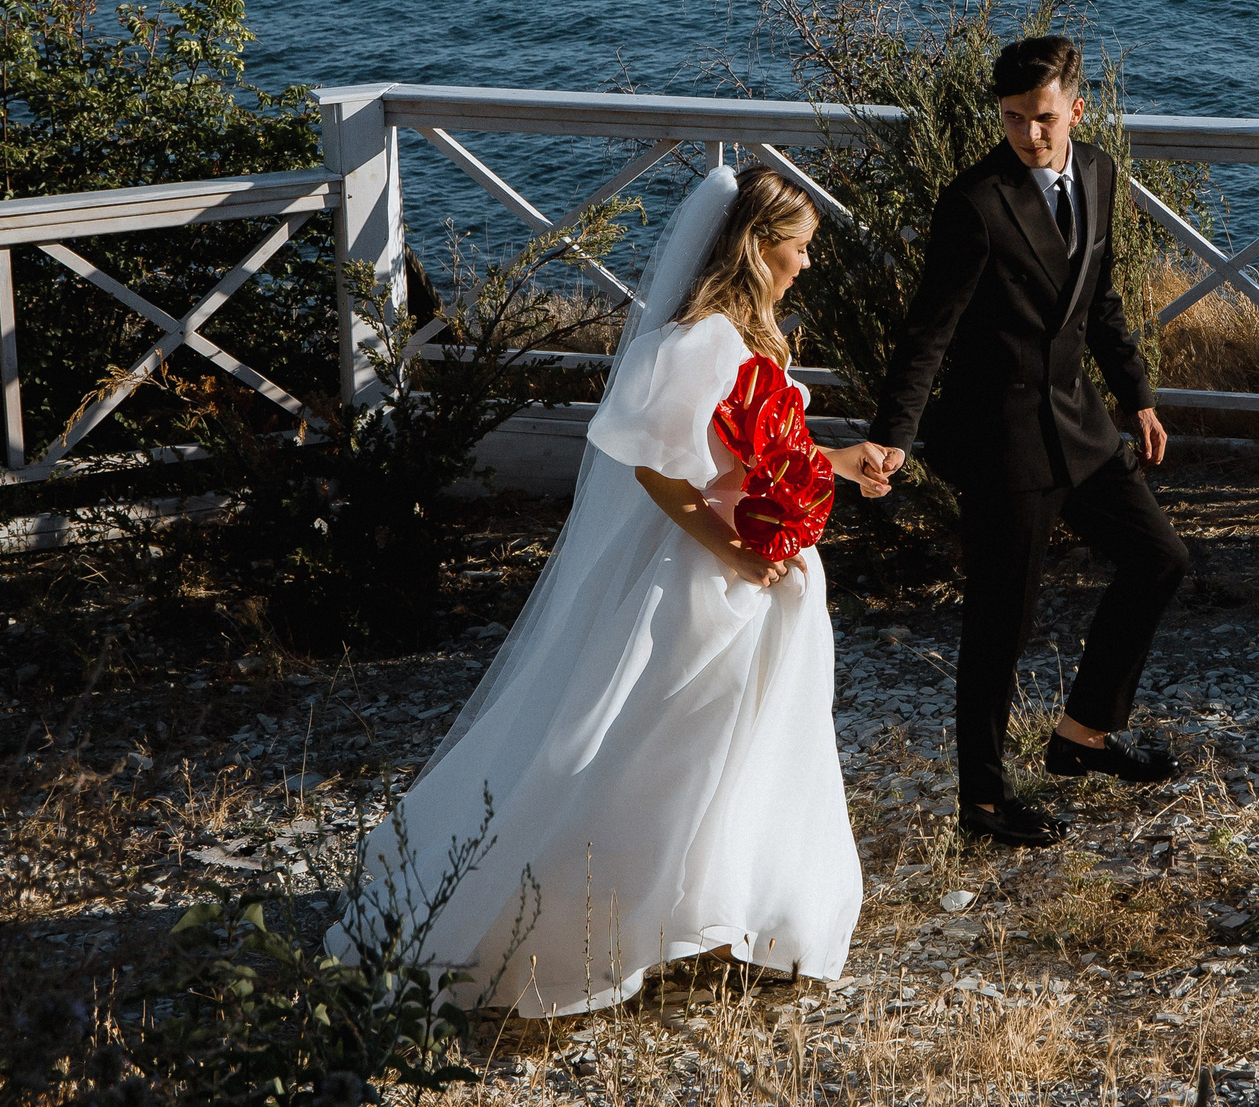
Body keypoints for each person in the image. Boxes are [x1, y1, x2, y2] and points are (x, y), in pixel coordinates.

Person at [330, 164, 892, 1015]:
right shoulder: (696, 340)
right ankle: (569, 913)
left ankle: (734, 906)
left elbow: (763, 450)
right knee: (650, 746)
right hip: (707, 578)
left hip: (770, 581)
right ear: (757, 244)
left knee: (757, 746)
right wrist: (732, 547)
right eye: (799, 247)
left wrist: (842, 466)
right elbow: (653, 465)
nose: (807, 264)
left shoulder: (751, 334)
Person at [864, 34, 1190, 848]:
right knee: (1000, 623)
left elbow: (1100, 300)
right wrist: (892, 440)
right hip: (1003, 439)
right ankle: (982, 803)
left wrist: (1138, 396)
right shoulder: (972, 203)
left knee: (1159, 558)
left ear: (1076, 108)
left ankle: (1081, 734)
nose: (1028, 135)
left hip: (1080, 425)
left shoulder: (1102, 174)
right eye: (1013, 120)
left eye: (1042, 118)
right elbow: (926, 334)